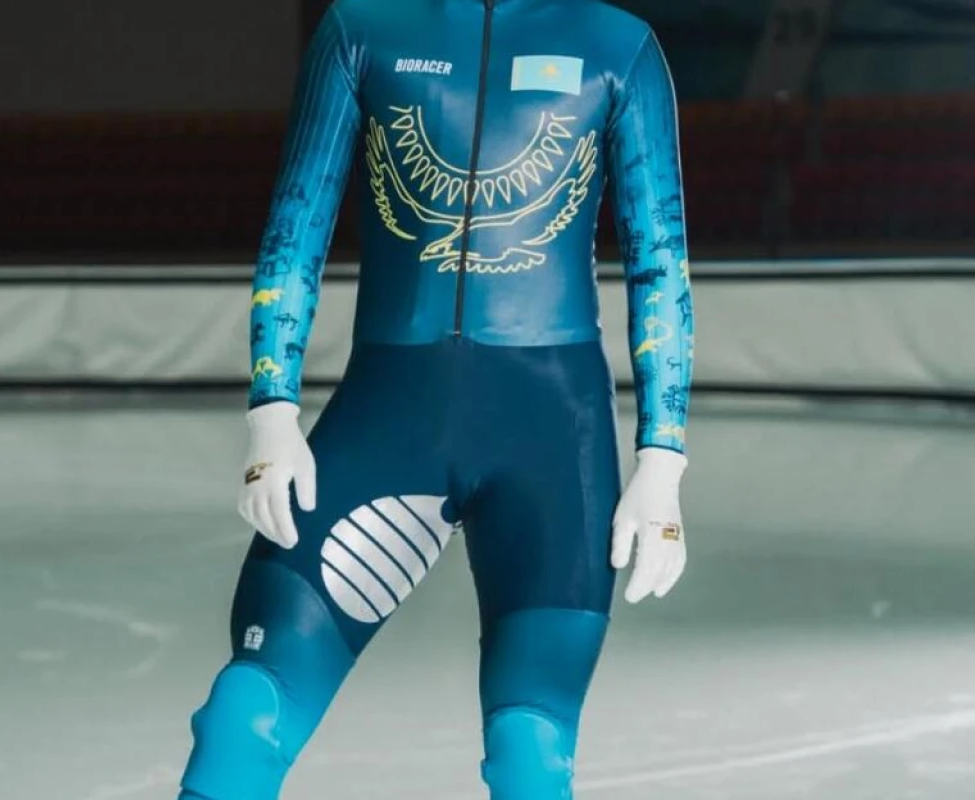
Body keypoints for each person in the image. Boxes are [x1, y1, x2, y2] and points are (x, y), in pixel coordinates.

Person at [180, 0, 694, 797]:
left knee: (531, 751)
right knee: (247, 713)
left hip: (553, 443)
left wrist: (663, 459)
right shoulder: (362, 28)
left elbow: (660, 259)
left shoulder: (617, 46)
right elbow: (296, 225)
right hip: (388, 420)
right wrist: (271, 410)